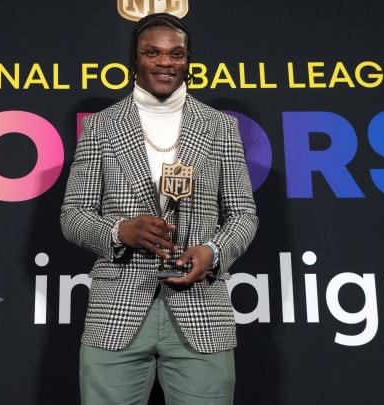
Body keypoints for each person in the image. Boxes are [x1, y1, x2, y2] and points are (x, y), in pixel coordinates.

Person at [60, 12, 258, 405]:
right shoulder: (100, 127)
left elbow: (243, 216)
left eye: (176, 54)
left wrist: (213, 252)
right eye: (153, 52)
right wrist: (119, 232)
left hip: (201, 311)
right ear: (134, 58)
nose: (165, 62)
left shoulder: (220, 128)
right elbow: (73, 215)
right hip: (116, 312)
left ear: (188, 60)